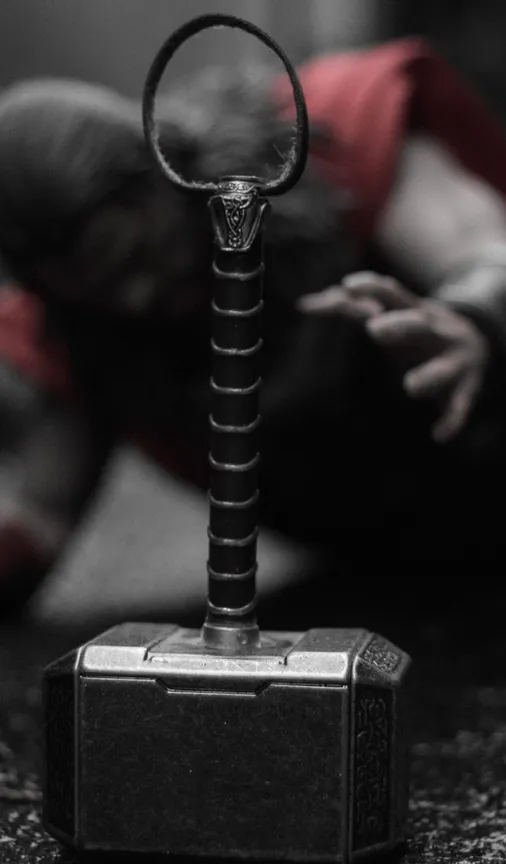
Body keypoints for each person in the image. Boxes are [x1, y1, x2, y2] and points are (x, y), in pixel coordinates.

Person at [1, 36, 506, 617]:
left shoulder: (334, 136)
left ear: (165, 173)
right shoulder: (75, 337)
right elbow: (40, 517)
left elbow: (484, 252)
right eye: (100, 292)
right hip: (391, 578)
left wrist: (471, 319)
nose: (137, 298)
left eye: (137, 255)